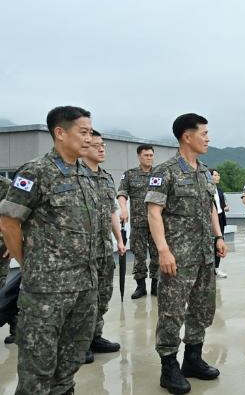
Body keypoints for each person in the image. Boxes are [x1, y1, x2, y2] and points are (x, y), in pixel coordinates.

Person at [0, 106, 99, 395]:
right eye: (83, 132)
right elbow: (8, 223)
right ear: (59, 132)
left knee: (71, 359)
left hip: (84, 286)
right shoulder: (35, 172)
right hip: (46, 291)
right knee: (37, 369)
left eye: (91, 132)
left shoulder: (86, 173)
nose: (89, 138)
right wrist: (29, 264)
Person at [145, 113, 227, 394]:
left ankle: (193, 358)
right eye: (203, 133)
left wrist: (218, 237)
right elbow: (153, 213)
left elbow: (210, 209)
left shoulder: (205, 172)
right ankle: (169, 367)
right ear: (186, 136)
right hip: (177, 258)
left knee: (203, 309)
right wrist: (163, 250)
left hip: (205, 256)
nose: (208, 138)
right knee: (172, 312)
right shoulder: (164, 172)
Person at [81, 130, 127, 363]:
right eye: (96, 145)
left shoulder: (106, 178)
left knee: (102, 295)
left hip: (103, 247)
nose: (101, 149)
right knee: (84, 300)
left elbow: (112, 211)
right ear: (84, 147)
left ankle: (94, 336)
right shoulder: (76, 176)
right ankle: (79, 343)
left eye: (104, 145)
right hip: (81, 252)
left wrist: (118, 240)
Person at [117, 144, 159, 299]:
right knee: (139, 255)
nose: (149, 158)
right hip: (138, 222)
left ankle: (156, 285)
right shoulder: (130, 175)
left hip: (158, 223)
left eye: (151, 155)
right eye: (146, 155)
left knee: (157, 255)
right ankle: (140, 287)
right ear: (139, 156)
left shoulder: (160, 174)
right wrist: (123, 208)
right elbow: (122, 193)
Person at [0, 175, 17, 345]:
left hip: (1, 244)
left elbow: (14, 215)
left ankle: (16, 325)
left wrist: (11, 242)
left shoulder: (5, 185)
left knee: (1, 289)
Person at [210, 169, 229, 278]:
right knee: (210, 244)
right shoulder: (208, 189)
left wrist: (225, 207)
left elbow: (223, 204)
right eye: (215, 175)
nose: (218, 177)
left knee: (219, 243)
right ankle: (209, 269)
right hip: (211, 219)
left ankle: (216, 268)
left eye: (218, 175)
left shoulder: (219, 190)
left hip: (220, 218)